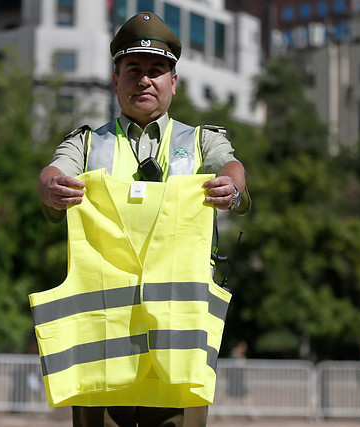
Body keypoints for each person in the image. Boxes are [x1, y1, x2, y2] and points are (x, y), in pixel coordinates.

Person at [35, 11, 250, 427]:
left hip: (177, 356)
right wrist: (50, 185)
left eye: (156, 71)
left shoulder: (203, 141)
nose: (144, 80)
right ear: (116, 80)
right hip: (101, 354)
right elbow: (53, 173)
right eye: (133, 70)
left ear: (174, 82)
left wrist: (232, 186)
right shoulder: (86, 143)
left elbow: (233, 169)